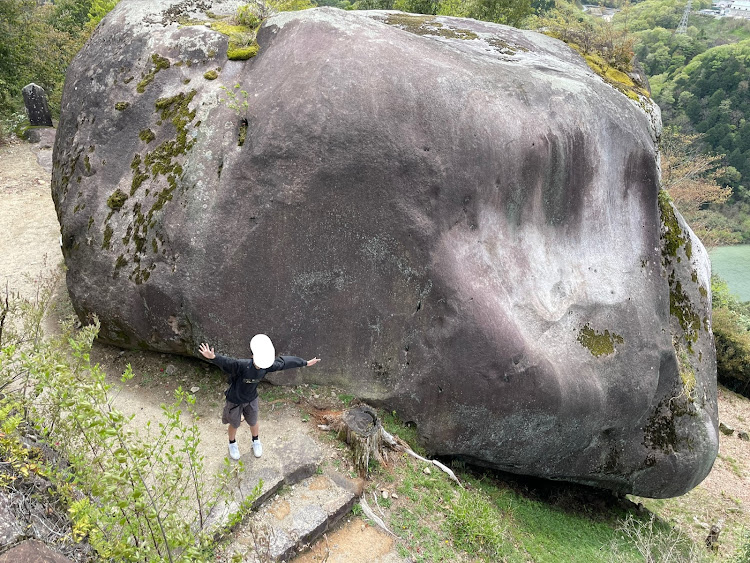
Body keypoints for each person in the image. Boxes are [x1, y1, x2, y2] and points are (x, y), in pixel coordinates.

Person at [198, 334, 321, 460]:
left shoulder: (266, 366)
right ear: (253, 355)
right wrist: (213, 357)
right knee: (234, 424)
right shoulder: (242, 365)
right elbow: (228, 362)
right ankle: (232, 443)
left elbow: (284, 362)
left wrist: (305, 362)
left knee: (253, 421)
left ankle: (256, 440)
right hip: (234, 400)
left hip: (251, 398)